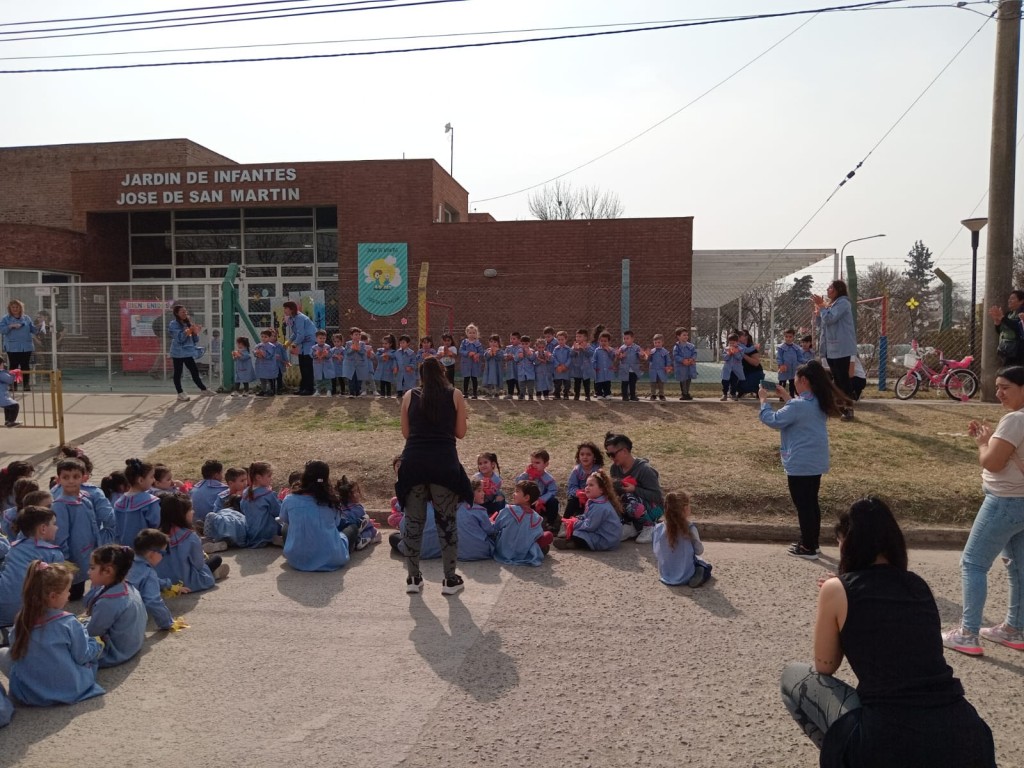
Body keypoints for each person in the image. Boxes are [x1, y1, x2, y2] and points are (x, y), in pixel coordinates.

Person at [780, 498, 996, 768]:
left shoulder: (836, 590)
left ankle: (844, 756)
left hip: (888, 740)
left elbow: (825, 666)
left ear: (846, 543)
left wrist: (834, 605)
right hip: (967, 735)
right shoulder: (918, 585)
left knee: (793, 677)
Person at [942, 365, 1024, 656]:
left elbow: (992, 462)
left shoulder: (1015, 420)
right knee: (1018, 568)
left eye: (1006, 388)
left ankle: (968, 634)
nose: (999, 393)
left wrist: (982, 443)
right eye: (998, 386)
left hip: (1004, 500)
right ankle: (1014, 628)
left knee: (973, 563)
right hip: (1021, 502)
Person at [395, 356, 472, 595]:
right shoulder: (455, 395)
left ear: (421, 375)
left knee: (414, 523)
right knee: (446, 522)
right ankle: (450, 579)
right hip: (443, 462)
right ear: (443, 372)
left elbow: (406, 434)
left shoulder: (410, 396)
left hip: (414, 462)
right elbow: (460, 433)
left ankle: (413, 578)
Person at [758, 360, 846, 560]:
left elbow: (774, 420)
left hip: (800, 463)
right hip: (814, 462)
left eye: (795, 379)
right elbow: (798, 410)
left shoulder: (798, 405)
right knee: (811, 503)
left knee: (803, 505)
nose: (794, 382)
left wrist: (763, 401)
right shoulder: (817, 401)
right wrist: (786, 396)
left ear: (804, 380)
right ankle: (811, 543)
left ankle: (808, 547)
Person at [6, 561, 105, 706]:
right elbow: (82, 656)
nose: (69, 594)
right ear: (53, 596)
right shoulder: (69, 622)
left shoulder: (21, 621)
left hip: (30, 694)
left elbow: (15, 651)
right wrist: (97, 643)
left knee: (4, 654)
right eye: (67, 590)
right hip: (70, 689)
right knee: (90, 654)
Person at [278, 460, 350, 572]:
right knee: (351, 529)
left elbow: (284, 519)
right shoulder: (331, 500)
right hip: (332, 558)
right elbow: (336, 524)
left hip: (297, 558)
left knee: (285, 528)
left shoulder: (290, 499)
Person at [0, 506, 65, 627]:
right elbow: (58, 587)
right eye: (54, 524)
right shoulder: (53, 553)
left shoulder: (14, 547)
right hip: (28, 612)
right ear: (43, 529)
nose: (57, 527)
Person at [83, 545, 147, 667]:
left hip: (115, 653)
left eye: (92, 568)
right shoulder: (128, 587)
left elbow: (92, 632)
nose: (88, 572)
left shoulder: (108, 602)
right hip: (131, 646)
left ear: (108, 571)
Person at [156, 493, 227, 591]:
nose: (193, 512)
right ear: (181, 515)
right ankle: (215, 573)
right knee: (215, 559)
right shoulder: (190, 537)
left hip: (162, 583)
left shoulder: (155, 535)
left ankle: (214, 569)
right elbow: (198, 565)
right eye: (190, 510)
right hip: (188, 583)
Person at [812, 280, 858, 421]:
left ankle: (849, 409)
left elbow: (830, 319)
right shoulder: (831, 305)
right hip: (831, 348)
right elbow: (822, 323)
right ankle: (840, 408)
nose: (828, 289)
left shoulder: (843, 303)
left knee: (843, 379)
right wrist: (818, 312)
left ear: (838, 289)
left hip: (842, 348)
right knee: (836, 380)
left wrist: (822, 306)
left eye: (831, 287)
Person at [128, 528, 187, 631]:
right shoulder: (149, 573)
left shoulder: (127, 561)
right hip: (128, 618)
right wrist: (168, 623)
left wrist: (170, 586)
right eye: (163, 553)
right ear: (152, 554)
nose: (163, 557)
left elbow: (150, 580)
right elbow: (153, 601)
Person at [603, 432, 664, 526]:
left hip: (654, 509)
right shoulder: (614, 468)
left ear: (624, 451)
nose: (611, 458)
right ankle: (630, 526)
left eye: (613, 454)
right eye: (608, 454)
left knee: (629, 499)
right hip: (632, 508)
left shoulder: (644, 470)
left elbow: (657, 497)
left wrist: (634, 489)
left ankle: (648, 527)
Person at [651, 490, 711, 587]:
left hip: (665, 574)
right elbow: (699, 551)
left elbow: (656, 551)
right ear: (685, 509)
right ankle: (699, 572)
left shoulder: (658, 528)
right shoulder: (690, 528)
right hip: (686, 575)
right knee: (705, 565)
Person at [552, 470, 621, 551]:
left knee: (577, 533)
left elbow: (590, 526)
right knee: (577, 529)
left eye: (591, 485)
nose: (587, 487)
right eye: (586, 485)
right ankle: (571, 542)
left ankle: (572, 543)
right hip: (601, 533)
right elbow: (587, 516)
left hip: (606, 540)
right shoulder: (595, 501)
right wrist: (578, 518)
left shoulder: (600, 507)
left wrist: (574, 523)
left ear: (601, 490)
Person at [492, 480, 551, 566]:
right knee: (547, 536)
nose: (513, 494)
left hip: (503, 551)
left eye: (517, 491)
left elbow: (497, 526)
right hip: (523, 553)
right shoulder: (537, 518)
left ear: (526, 498)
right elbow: (537, 536)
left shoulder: (509, 510)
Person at [167, 304, 213, 402]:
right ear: (176, 313)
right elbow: (179, 338)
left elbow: (194, 339)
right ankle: (180, 393)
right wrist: (188, 331)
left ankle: (204, 389)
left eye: (185, 311)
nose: (185, 313)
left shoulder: (188, 322)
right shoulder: (173, 324)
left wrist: (196, 332)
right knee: (178, 373)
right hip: (178, 352)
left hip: (187, 351)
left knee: (194, 371)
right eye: (182, 312)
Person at [114, 458, 160, 548]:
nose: (154, 480)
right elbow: (157, 526)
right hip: (146, 550)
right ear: (141, 480)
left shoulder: (118, 503)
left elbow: (116, 529)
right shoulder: (151, 502)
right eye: (151, 477)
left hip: (125, 551)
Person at [515, 449, 560, 532]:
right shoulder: (527, 475)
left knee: (554, 502)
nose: (534, 465)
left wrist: (542, 499)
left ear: (546, 464)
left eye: (537, 463)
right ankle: (521, 522)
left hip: (542, 503)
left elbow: (553, 490)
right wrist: (526, 473)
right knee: (519, 503)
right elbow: (517, 482)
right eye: (532, 462)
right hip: (529, 501)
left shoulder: (548, 478)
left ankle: (550, 523)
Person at [240, 462, 282, 548]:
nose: (271, 479)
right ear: (258, 477)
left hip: (251, 533)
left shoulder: (245, 493)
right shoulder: (268, 494)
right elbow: (279, 512)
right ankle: (274, 538)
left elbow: (242, 509)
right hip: (267, 531)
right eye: (269, 476)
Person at [0, 299, 38, 391]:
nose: (15, 309)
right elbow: (2, 330)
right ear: (10, 308)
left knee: (25, 365)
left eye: (17, 307)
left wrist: (39, 327)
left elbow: (33, 330)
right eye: (13, 307)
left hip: (26, 347)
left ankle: (26, 385)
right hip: (12, 347)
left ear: (21, 308)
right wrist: (10, 326)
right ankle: (14, 385)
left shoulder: (26, 318)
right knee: (14, 366)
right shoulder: (6, 318)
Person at [282, 300, 317, 396]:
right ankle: (303, 388)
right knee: (302, 366)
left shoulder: (300, 318)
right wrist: (288, 342)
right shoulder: (293, 318)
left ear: (291, 309)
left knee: (307, 367)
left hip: (309, 343)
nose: (284, 310)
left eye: (286, 308)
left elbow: (301, 334)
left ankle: (309, 389)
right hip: (303, 344)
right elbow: (296, 333)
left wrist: (294, 344)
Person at [564, 441, 603, 521]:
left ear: (594, 457)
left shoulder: (598, 470)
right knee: (572, 501)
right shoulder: (576, 471)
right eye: (582, 454)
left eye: (588, 454)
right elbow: (571, 487)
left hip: (594, 497)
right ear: (578, 456)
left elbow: (602, 486)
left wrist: (591, 494)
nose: (585, 457)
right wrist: (579, 493)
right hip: (579, 497)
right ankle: (565, 522)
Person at [456, 480, 495, 561]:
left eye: (483, 491)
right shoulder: (479, 510)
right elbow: (490, 531)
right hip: (481, 552)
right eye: (479, 491)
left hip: (460, 553)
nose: (483, 494)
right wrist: (492, 523)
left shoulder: (455, 508)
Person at [989, 289, 1024, 366]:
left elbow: (1018, 327)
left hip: (1017, 351)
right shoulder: (1008, 314)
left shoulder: (1022, 314)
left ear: (1021, 301)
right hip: (1006, 350)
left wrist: (1002, 318)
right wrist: (997, 322)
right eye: (1009, 298)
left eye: (1012, 298)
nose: (1009, 300)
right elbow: (1001, 331)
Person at [616, 329, 644, 402]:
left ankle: (633, 396)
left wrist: (642, 355)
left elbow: (641, 356)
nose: (625, 340)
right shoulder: (622, 348)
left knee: (632, 383)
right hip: (624, 369)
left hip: (633, 369)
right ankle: (625, 396)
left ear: (632, 338)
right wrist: (620, 356)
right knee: (624, 383)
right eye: (624, 338)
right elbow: (618, 356)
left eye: (627, 338)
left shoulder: (637, 348)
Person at [673, 327, 698, 401]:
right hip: (681, 366)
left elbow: (694, 353)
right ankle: (684, 393)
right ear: (678, 336)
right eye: (684, 335)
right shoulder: (676, 347)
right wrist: (682, 360)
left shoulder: (691, 346)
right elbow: (675, 355)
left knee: (688, 379)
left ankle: (687, 392)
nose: (686, 336)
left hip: (690, 365)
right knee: (683, 379)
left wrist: (691, 359)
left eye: (687, 335)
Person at [569, 328, 595, 401]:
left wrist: (584, 348)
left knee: (586, 383)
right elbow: (571, 354)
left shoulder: (588, 346)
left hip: (586, 369)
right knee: (577, 383)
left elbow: (591, 353)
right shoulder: (574, 346)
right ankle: (577, 395)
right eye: (577, 336)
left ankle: (587, 395)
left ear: (585, 337)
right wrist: (575, 350)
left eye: (580, 336)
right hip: (577, 368)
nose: (578, 338)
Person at [776, 328, 802, 398]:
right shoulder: (781, 348)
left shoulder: (796, 348)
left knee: (792, 382)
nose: (788, 338)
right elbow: (779, 357)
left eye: (790, 337)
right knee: (782, 382)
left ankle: (791, 395)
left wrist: (800, 364)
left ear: (793, 337)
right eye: (786, 336)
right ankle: (781, 396)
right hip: (784, 368)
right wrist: (781, 364)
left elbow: (800, 358)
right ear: (784, 337)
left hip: (793, 368)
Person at [459, 323, 483, 399]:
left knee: (474, 378)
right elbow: (461, 351)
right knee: (466, 378)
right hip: (466, 363)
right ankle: (465, 393)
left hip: (474, 364)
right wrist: (468, 353)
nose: (472, 334)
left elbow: (482, 352)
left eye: (473, 333)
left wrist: (477, 355)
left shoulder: (478, 343)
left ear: (476, 333)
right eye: (470, 333)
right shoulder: (464, 342)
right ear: (467, 333)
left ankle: (474, 393)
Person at [719, 332, 744, 401]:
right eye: (730, 343)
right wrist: (729, 354)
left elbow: (740, 358)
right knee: (725, 381)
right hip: (727, 369)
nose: (731, 345)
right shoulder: (726, 349)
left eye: (733, 343)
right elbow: (724, 358)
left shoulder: (740, 349)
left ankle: (733, 394)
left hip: (735, 370)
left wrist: (735, 353)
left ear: (737, 342)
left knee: (734, 382)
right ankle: (724, 394)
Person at [647, 333, 671, 401]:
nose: (657, 344)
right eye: (655, 343)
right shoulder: (652, 351)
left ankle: (661, 395)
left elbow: (668, 360)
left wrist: (667, 367)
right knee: (653, 383)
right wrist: (648, 355)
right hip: (653, 370)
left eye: (659, 342)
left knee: (661, 383)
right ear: (653, 343)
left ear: (662, 342)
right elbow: (649, 360)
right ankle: (653, 395)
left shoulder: (665, 352)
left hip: (661, 370)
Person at [0, 359, 21, 428]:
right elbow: (9, 380)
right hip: (1, 396)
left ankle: (7, 421)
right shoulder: (1, 373)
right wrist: (13, 374)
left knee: (8, 406)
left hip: (2, 395)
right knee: (15, 405)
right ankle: (11, 421)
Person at [482, 334, 504, 399]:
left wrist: (495, 353)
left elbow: (500, 357)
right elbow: (486, 357)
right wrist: (490, 353)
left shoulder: (500, 351)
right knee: (489, 381)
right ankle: (489, 393)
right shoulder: (487, 350)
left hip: (497, 369)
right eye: (491, 342)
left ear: (498, 343)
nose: (493, 343)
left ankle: (496, 393)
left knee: (497, 380)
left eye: (495, 342)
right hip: (489, 369)